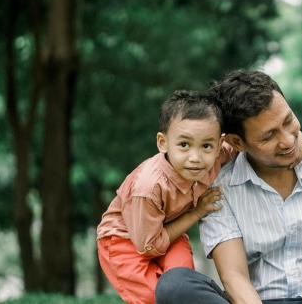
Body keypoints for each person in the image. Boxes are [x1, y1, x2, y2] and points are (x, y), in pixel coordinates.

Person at [154, 70, 302, 304]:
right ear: (237, 142)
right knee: (174, 285)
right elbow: (234, 277)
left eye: (288, 121)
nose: (288, 140)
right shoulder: (219, 190)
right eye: (269, 137)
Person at [97, 90, 233, 304]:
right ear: (162, 143)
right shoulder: (148, 187)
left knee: (184, 287)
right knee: (153, 297)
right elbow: (148, 245)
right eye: (184, 145)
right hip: (126, 241)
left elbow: (248, 143)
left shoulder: (216, 156)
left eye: (206, 145)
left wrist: (298, 144)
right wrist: (197, 212)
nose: (195, 158)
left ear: (218, 145)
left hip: (169, 230)